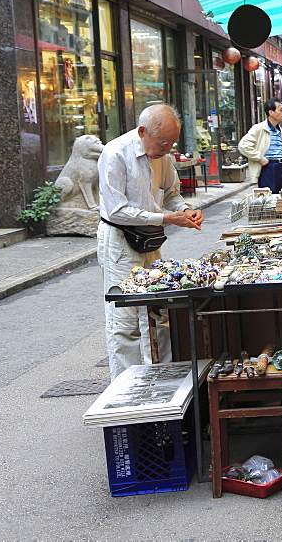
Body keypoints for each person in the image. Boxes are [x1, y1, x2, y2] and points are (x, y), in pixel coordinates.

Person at [97, 104, 204, 379]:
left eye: (172, 143)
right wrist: (168, 219)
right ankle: (127, 389)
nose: (167, 150)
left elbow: (171, 193)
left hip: (150, 239)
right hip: (120, 241)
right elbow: (116, 211)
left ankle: (166, 383)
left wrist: (185, 209)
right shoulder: (116, 153)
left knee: (159, 309)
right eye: (162, 143)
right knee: (126, 320)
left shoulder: (163, 155)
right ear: (142, 131)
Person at [237, 99, 282, 194]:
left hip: (281, 167)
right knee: (269, 199)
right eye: (280, 110)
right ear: (271, 112)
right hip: (268, 168)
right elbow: (243, 145)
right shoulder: (259, 128)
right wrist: (260, 158)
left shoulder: (279, 130)